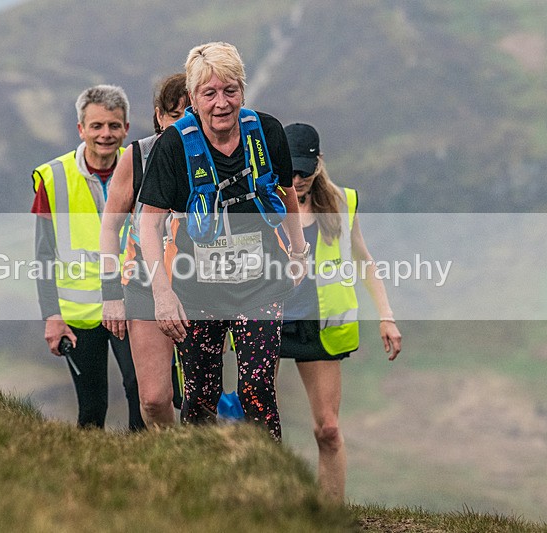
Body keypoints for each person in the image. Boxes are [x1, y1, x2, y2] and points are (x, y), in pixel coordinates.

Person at [137, 42, 308, 441]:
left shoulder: (266, 132)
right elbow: (149, 226)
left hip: (261, 283)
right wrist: (162, 294)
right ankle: (203, 487)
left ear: (242, 91)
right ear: (193, 99)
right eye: (209, 93)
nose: (221, 103)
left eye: (230, 90)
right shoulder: (173, 147)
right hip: (197, 291)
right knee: (200, 398)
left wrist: (298, 252)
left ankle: (270, 486)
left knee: (258, 388)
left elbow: (287, 194)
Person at [280, 122, 402, 501]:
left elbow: (365, 261)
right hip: (267, 323)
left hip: (321, 328)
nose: (296, 178)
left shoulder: (343, 202)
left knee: (328, 430)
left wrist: (386, 315)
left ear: (319, 163)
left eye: (303, 169)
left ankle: (330, 517)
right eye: (288, 170)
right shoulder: (258, 202)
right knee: (256, 426)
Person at [31, 84, 144, 431]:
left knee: (141, 394)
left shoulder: (143, 170)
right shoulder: (53, 178)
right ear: (81, 129)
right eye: (96, 126)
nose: (105, 134)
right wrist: (52, 316)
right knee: (92, 407)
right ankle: (89, 478)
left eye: (113, 125)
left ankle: (148, 470)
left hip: (131, 305)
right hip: (79, 314)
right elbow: (43, 255)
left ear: (126, 128)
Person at [100, 73, 190, 427]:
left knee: (201, 397)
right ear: (158, 115)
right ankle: (169, 461)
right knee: (153, 399)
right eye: (174, 115)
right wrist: (111, 294)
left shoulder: (215, 155)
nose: (182, 124)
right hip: (142, 284)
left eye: (190, 114)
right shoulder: (137, 157)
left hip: (202, 286)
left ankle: (204, 465)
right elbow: (110, 228)